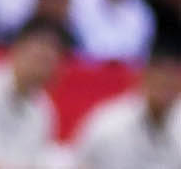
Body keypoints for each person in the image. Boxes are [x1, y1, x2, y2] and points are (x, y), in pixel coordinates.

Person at [0, 16, 67, 169]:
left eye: (50, 61)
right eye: (39, 57)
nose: (43, 66)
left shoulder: (44, 109)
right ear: (17, 48)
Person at [71, 24, 181, 169]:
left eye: (173, 79)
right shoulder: (108, 123)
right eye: (160, 78)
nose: (166, 84)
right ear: (143, 77)